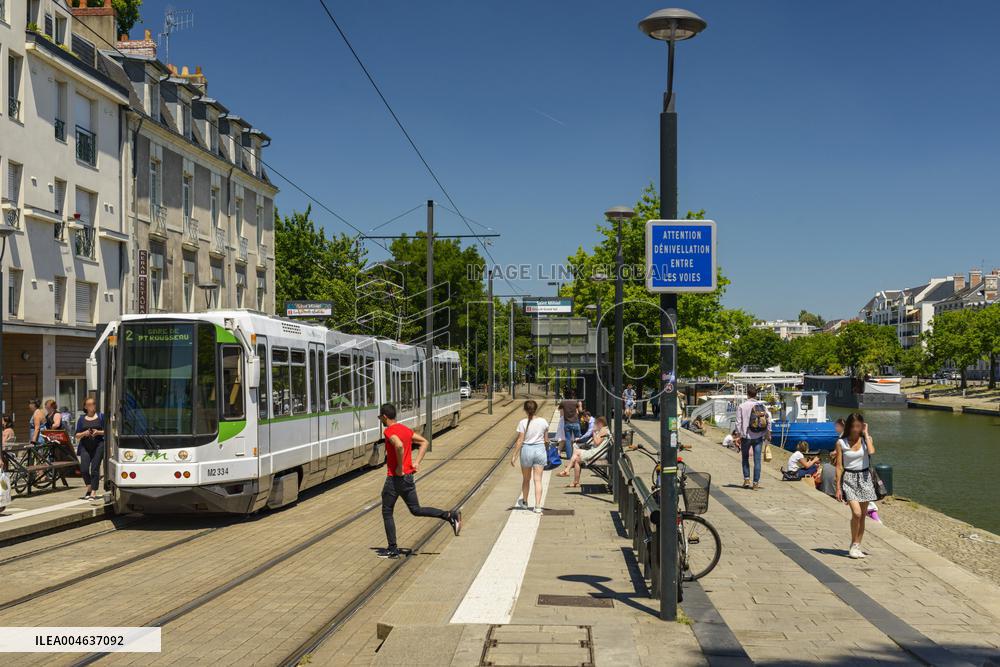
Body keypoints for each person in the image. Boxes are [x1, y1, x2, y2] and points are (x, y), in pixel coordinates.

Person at [378, 403, 461, 559]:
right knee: (416, 509)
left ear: (384, 416)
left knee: (387, 511)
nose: (380, 420)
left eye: (380, 417)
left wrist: (400, 466)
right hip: (408, 478)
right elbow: (424, 442)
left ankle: (392, 549)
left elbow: (399, 445)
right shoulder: (406, 430)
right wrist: (416, 463)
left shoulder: (388, 431)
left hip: (395, 479)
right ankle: (449, 515)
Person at [835, 412, 877, 559]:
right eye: (853, 426)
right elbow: (839, 466)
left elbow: (871, 451)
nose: (855, 429)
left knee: (863, 516)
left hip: (865, 478)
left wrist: (866, 434)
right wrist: (838, 487)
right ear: (849, 426)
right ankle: (853, 544)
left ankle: (857, 545)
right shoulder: (841, 443)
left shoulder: (866, 440)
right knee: (857, 513)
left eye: (858, 426)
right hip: (849, 479)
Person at [510, 399, 549, 513]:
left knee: (526, 479)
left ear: (525, 410)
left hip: (527, 451)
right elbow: (546, 440)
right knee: (538, 480)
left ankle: (525, 502)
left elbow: (520, 440)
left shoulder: (522, 423)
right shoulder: (543, 422)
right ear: (536, 409)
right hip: (540, 450)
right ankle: (538, 506)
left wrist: (514, 455)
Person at [736, 386, 771, 490]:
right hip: (758, 435)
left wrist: (738, 434)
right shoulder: (762, 406)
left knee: (745, 458)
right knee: (757, 460)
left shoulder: (742, 406)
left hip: (746, 436)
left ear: (747, 394)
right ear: (756, 395)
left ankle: (747, 479)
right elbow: (768, 419)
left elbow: (738, 422)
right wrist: (768, 432)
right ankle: (755, 483)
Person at [559, 416, 609, 487]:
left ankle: (568, 471)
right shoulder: (604, 429)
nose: (595, 425)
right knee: (577, 459)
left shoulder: (604, 430)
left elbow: (596, 442)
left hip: (598, 453)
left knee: (576, 453)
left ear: (600, 423)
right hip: (598, 452)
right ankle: (574, 480)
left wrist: (594, 432)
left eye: (596, 424)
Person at [74, 398, 105, 501]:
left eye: (94, 404)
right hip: (85, 446)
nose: (92, 406)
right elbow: (77, 435)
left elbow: (108, 431)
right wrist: (84, 433)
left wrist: (98, 432)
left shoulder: (101, 416)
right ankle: (89, 487)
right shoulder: (81, 419)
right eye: (90, 404)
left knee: (95, 469)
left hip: (98, 445)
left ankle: (93, 492)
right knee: (84, 469)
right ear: (85, 407)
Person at [560, 390, 583, 460]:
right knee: (577, 440)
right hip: (575, 422)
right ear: (572, 395)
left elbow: (560, 410)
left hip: (567, 423)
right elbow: (580, 410)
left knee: (568, 440)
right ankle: (577, 455)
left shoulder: (563, 402)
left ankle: (569, 457)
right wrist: (580, 405)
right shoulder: (576, 402)